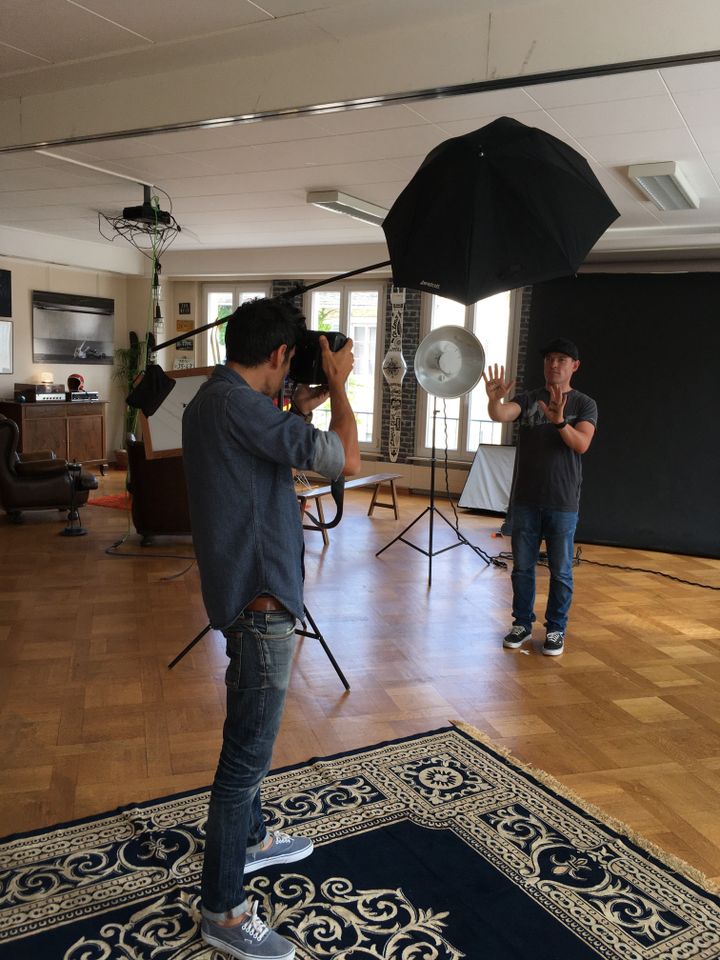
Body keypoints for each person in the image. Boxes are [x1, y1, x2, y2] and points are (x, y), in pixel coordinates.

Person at [182, 297, 360, 960]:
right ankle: (223, 910)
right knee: (243, 761)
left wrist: (299, 408)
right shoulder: (242, 407)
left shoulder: (215, 399)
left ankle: (252, 842)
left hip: (241, 590)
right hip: (262, 604)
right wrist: (339, 387)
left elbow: (253, 454)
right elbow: (344, 459)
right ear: (282, 355)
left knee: (247, 742)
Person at [483, 337, 597, 657]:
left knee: (561, 570)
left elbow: (581, 444)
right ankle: (521, 623)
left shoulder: (584, 405)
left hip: (562, 502)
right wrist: (494, 400)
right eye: (549, 359)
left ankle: (556, 628)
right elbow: (502, 414)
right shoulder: (529, 398)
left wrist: (559, 421)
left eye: (561, 359)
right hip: (525, 500)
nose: (554, 364)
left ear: (574, 366)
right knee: (522, 567)